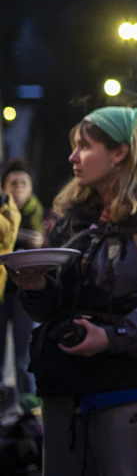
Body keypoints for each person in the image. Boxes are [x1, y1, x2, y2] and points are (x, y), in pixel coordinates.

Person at [12, 106, 137, 476]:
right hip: (65, 387)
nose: (72, 156)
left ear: (120, 152)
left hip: (132, 387)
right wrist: (34, 287)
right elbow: (55, 305)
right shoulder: (72, 215)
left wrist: (113, 337)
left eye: (85, 146)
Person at [1, 159, 42, 408]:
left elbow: (39, 241)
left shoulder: (36, 212)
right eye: (12, 183)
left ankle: (28, 405)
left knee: (24, 352)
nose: (18, 188)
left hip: (24, 291)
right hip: (2, 290)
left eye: (23, 183)